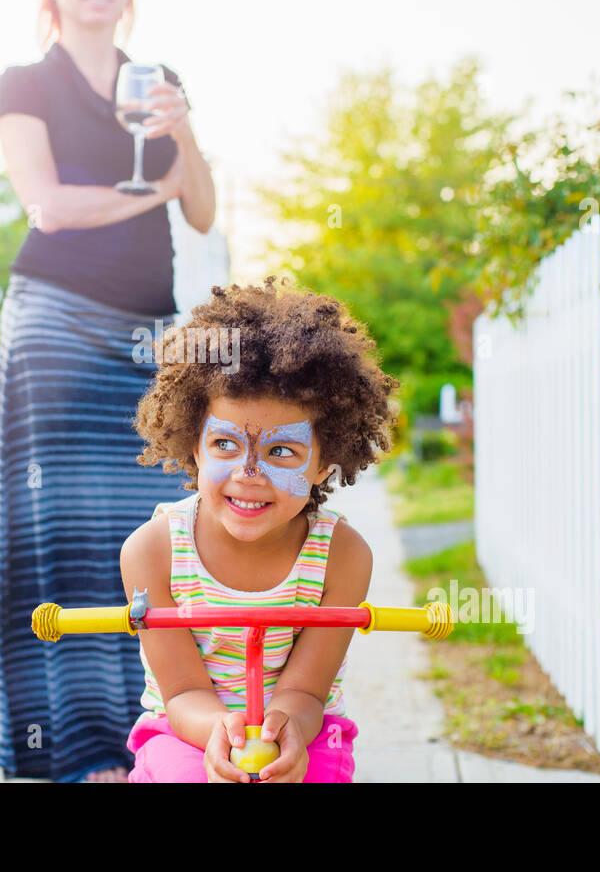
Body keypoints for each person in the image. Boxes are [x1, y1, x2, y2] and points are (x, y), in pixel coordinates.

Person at [0, 0, 216, 783]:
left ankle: (145, 743)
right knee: (58, 539)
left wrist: (182, 135)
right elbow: (48, 207)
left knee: (148, 539)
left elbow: (204, 210)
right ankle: (64, 755)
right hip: (55, 326)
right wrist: (149, 186)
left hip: (149, 335)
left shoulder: (159, 82)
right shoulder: (23, 84)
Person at [120, 278, 401, 782]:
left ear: (324, 462)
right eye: (225, 444)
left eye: (281, 451)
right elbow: (183, 692)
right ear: (194, 447)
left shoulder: (342, 555)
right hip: (186, 727)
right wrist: (221, 733)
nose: (250, 473)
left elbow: (307, 691)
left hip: (303, 725)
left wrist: (282, 729)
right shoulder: (153, 550)